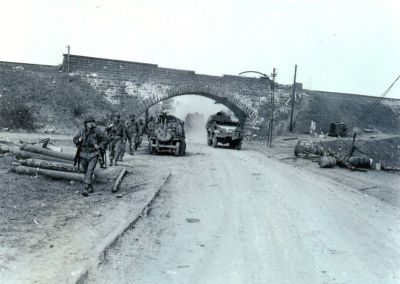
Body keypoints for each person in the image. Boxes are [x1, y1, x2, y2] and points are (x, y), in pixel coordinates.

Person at [73, 115, 109, 196]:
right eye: (88, 122)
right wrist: (78, 140)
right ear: (85, 123)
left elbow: (106, 139)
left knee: (90, 170)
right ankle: (90, 187)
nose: (90, 123)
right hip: (82, 153)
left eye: (92, 122)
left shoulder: (97, 130)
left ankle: (86, 187)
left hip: (93, 154)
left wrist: (99, 145)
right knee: (86, 171)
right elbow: (74, 139)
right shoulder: (81, 130)